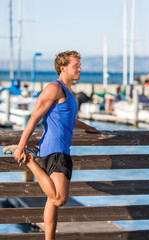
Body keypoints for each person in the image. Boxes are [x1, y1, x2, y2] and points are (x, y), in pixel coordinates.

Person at [13, 50, 101, 240]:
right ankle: (29, 160)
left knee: (51, 201)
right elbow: (34, 118)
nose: (80, 69)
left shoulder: (68, 92)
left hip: (60, 150)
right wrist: (21, 146)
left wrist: (89, 127)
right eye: (76, 65)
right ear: (63, 68)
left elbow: (69, 119)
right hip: (54, 150)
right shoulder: (54, 88)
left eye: (79, 65)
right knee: (60, 198)